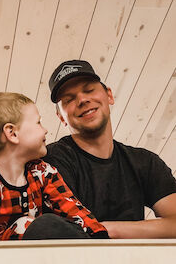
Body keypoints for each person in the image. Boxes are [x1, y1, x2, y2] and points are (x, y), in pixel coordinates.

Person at [0, 92, 109, 241]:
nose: (45, 130)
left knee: (53, 224)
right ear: (12, 133)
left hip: (21, 252)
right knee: (31, 224)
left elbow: (71, 207)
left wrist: (100, 238)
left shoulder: (42, 172)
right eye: (38, 122)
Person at [47, 59, 176, 238]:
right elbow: (63, 233)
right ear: (61, 117)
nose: (82, 100)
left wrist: (109, 229)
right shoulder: (52, 161)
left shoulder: (145, 162)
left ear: (109, 95)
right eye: (69, 99)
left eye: (89, 90)